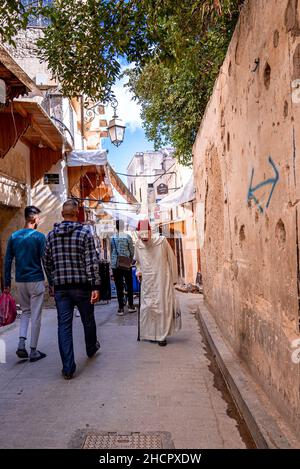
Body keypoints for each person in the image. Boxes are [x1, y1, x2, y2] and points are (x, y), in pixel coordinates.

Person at [43, 199, 101, 380]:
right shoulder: (85, 233)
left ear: (62, 215)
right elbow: (91, 261)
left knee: (64, 327)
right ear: (77, 213)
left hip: (62, 289)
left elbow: (46, 261)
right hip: (82, 287)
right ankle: (91, 347)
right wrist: (95, 285)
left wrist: (53, 282)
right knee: (88, 320)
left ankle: (68, 368)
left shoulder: (51, 236)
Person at [4, 206, 46, 362]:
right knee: (35, 315)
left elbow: (7, 261)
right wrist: (53, 282)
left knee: (26, 312)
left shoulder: (14, 237)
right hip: (36, 280)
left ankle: (21, 343)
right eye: (39, 218)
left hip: (20, 281)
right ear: (34, 219)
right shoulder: (39, 237)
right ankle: (33, 350)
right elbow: (45, 261)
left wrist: (6, 282)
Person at [134, 220, 180, 346]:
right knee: (148, 307)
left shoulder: (161, 241)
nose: (144, 240)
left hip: (162, 280)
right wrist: (138, 271)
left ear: (150, 233)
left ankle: (161, 335)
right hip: (147, 282)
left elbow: (172, 259)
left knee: (161, 307)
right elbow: (137, 262)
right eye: (142, 238)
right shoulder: (138, 245)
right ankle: (149, 333)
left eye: (146, 238)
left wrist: (174, 280)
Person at [110, 219, 136, 316]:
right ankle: (131, 306)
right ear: (123, 227)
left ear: (116, 227)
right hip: (126, 263)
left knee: (118, 286)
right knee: (129, 285)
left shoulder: (112, 238)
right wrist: (130, 260)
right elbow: (132, 251)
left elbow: (111, 250)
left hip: (115, 265)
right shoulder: (128, 237)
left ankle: (120, 308)